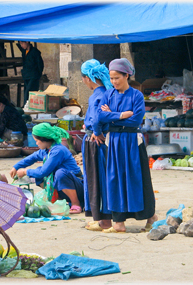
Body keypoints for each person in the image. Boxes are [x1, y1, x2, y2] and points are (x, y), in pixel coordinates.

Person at [97, 58, 158, 233]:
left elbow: (136, 120)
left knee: (137, 178)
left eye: (117, 78)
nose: (114, 82)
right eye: (111, 78)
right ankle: (119, 222)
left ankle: (150, 217)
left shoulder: (136, 95)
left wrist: (112, 115)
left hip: (132, 141)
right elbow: (100, 116)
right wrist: (122, 115)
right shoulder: (108, 95)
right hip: (114, 141)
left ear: (126, 75)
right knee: (114, 179)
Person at [10, 123, 84, 214]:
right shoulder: (46, 150)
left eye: (37, 141)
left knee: (60, 173)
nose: (36, 143)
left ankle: (76, 203)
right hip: (63, 187)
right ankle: (59, 200)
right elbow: (31, 158)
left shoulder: (58, 150)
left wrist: (25, 171)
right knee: (37, 173)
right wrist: (16, 167)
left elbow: (43, 172)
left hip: (78, 186)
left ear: (44, 139)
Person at [80, 59, 114, 231]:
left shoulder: (97, 95)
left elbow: (96, 117)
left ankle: (104, 220)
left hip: (96, 143)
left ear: (88, 78)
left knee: (96, 180)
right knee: (105, 178)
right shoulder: (108, 92)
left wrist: (96, 131)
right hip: (106, 142)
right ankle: (104, 218)